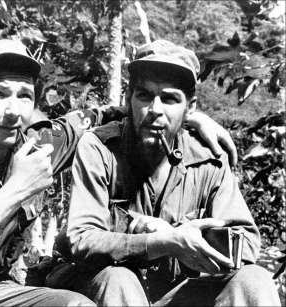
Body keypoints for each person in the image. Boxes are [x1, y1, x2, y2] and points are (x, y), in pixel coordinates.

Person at [0, 38, 238, 306]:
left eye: (24, 96)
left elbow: (111, 114)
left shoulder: (40, 142)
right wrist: (17, 188)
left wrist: (188, 117)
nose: (13, 111)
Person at [45, 40, 281, 306]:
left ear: (190, 108)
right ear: (128, 99)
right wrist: (152, 236)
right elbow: (81, 239)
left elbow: (247, 241)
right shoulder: (99, 148)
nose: (155, 109)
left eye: (169, 99)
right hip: (105, 289)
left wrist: (187, 239)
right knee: (118, 279)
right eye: (144, 95)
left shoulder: (208, 160)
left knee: (254, 280)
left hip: (172, 294)